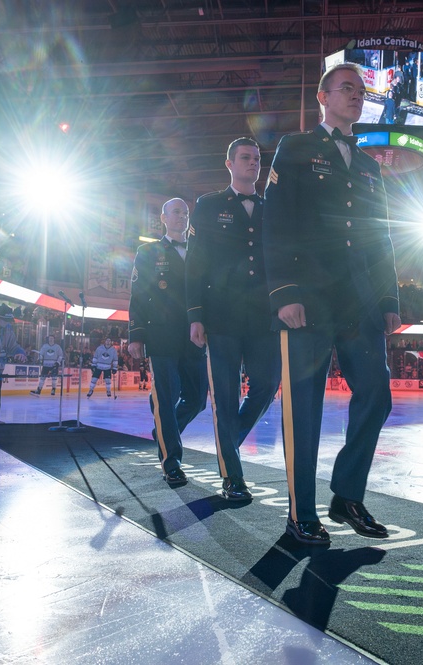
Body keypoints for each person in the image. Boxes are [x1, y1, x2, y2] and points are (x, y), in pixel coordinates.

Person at [262, 62, 401, 545]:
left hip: (359, 298)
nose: (356, 96)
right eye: (346, 88)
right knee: (305, 405)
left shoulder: (367, 165)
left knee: (377, 395)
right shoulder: (296, 148)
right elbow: (276, 222)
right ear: (321, 95)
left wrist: (388, 297)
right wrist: (284, 292)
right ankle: (301, 512)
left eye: (361, 92)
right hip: (308, 296)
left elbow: (379, 235)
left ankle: (347, 494)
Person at [187, 137, 281, 501]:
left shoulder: (269, 206)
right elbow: (195, 263)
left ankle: (230, 444)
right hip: (221, 315)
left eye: (257, 158)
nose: (253, 163)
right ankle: (232, 477)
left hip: (262, 316)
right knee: (224, 396)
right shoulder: (209, 205)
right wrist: (195, 315)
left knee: (268, 383)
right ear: (229, 163)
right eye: (245, 157)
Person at [127, 198, 208, 487]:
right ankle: (171, 461)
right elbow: (138, 294)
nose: (182, 217)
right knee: (166, 395)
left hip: (195, 334)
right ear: (163, 217)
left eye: (185, 213)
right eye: (176, 212)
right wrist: (135, 333)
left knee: (198, 399)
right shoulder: (148, 251)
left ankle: (163, 428)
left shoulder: (200, 249)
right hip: (161, 334)